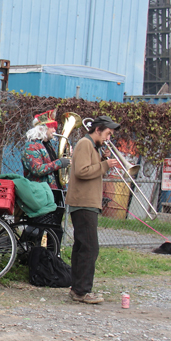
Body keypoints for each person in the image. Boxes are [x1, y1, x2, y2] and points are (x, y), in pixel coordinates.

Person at [64, 115, 121, 304]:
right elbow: (81, 171)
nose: (108, 138)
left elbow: (89, 168)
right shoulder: (85, 144)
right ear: (97, 130)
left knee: (82, 247)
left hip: (88, 202)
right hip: (83, 202)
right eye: (107, 133)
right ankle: (82, 291)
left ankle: (77, 288)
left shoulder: (93, 147)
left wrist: (101, 161)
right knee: (89, 248)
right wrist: (104, 165)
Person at [21, 109, 70, 244]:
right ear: (42, 129)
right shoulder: (31, 146)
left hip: (53, 192)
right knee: (40, 229)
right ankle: (33, 257)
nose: (54, 131)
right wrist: (59, 163)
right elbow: (37, 169)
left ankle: (51, 258)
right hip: (40, 194)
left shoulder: (46, 145)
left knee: (55, 230)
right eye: (52, 128)